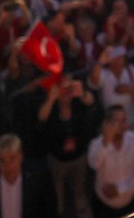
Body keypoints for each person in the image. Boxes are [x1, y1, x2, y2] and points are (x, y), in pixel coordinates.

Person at [38, 77, 99, 218]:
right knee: (57, 192)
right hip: (58, 160)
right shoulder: (52, 107)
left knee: (79, 189)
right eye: (62, 89)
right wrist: (51, 98)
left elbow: (92, 103)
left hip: (79, 157)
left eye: (68, 88)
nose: (65, 92)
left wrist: (81, 93)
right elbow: (41, 118)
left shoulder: (78, 103)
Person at [0, 133, 57, 218]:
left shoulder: (38, 178)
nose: (8, 166)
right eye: (2, 161)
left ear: (20, 156)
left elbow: (50, 210)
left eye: (12, 158)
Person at [87, 106, 134, 218]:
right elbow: (94, 164)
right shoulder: (96, 144)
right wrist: (106, 143)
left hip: (130, 205)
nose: (122, 126)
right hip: (103, 207)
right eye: (117, 122)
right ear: (107, 124)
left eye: (124, 120)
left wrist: (120, 189)